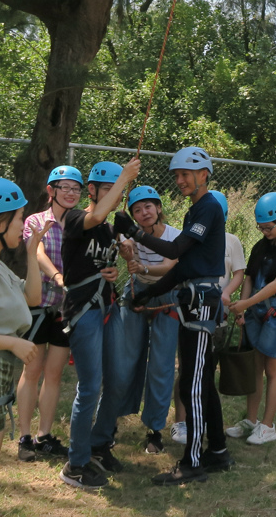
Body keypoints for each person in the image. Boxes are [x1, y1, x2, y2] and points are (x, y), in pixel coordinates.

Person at [115, 146, 231, 484]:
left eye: (185, 174)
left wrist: (135, 232)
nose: (179, 180)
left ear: (204, 174)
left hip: (200, 300)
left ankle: (193, 461)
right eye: (176, 175)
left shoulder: (208, 207)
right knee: (202, 377)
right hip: (192, 294)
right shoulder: (196, 210)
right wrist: (150, 292)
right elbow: (184, 266)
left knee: (192, 383)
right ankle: (218, 449)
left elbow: (177, 251)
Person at [59, 158, 141, 489]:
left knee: (118, 379)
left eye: (115, 190)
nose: (112, 195)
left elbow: (110, 263)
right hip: (84, 312)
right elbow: (95, 215)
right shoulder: (76, 218)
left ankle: (98, 442)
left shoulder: (109, 231)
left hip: (105, 307)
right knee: (90, 386)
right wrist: (123, 178)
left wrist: (118, 262)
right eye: (105, 189)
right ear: (91, 190)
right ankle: (75, 464)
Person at [169, 189, 245, 446]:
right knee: (188, 372)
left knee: (204, 375)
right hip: (194, 308)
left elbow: (238, 273)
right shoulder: (193, 238)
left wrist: (226, 294)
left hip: (214, 312)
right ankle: (183, 421)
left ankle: (208, 436)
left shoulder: (231, 241)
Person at [225, 192, 276, 445]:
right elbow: (249, 278)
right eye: (261, 227)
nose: (265, 232)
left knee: (272, 368)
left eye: (268, 228)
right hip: (256, 310)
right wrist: (242, 310)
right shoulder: (259, 247)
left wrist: (247, 303)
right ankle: (252, 420)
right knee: (255, 366)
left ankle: (268, 426)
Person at [15, 166, 77, 462]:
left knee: (54, 374)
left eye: (76, 188)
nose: (70, 193)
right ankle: (24, 436)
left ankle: (45, 435)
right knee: (32, 370)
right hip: (38, 305)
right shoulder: (35, 221)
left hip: (66, 310)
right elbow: (36, 253)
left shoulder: (80, 224)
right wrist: (57, 276)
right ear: (51, 191)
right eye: (64, 187)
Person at [117, 185, 180, 455]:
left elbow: (169, 265)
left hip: (168, 293)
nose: (144, 213)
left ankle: (154, 430)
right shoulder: (131, 235)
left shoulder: (175, 236)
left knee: (161, 364)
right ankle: (112, 419)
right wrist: (127, 249)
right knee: (126, 358)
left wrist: (142, 266)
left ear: (159, 209)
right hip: (139, 291)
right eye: (137, 210)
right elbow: (126, 247)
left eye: (148, 207)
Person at [0, 178, 45, 458]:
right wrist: (11, 343)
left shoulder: (2, 269)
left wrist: (32, 252)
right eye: (19, 218)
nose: (23, 224)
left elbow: (32, 298)